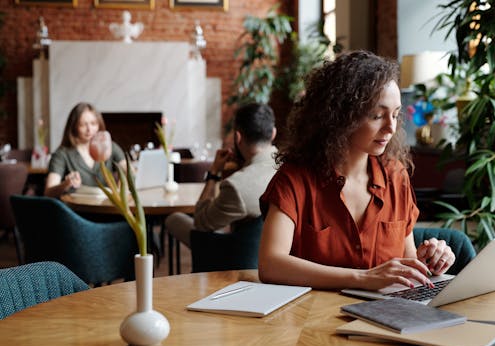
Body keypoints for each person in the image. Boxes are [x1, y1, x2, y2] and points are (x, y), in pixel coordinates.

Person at [258, 50, 456, 290]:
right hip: (312, 320)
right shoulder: (295, 179)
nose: (390, 127)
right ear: (341, 117)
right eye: (377, 116)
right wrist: (362, 278)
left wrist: (430, 260)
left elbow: (408, 260)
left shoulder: (396, 177)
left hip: (389, 317)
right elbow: (270, 265)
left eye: (395, 115)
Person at [165, 102, 277, 247]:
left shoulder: (237, 186)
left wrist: (214, 173)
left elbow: (200, 223)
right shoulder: (289, 167)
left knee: (174, 219)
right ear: (273, 133)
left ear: (238, 137)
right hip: (269, 253)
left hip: (231, 258)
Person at [44, 102, 127, 198]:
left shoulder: (110, 146)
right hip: (77, 210)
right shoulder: (62, 154)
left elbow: (126, 168)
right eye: (83, 125)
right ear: (74, 126)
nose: (89, 129)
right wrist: (66, 184)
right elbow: (48, 192)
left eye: (93, 124)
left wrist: (129, 172)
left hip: (106, 207)